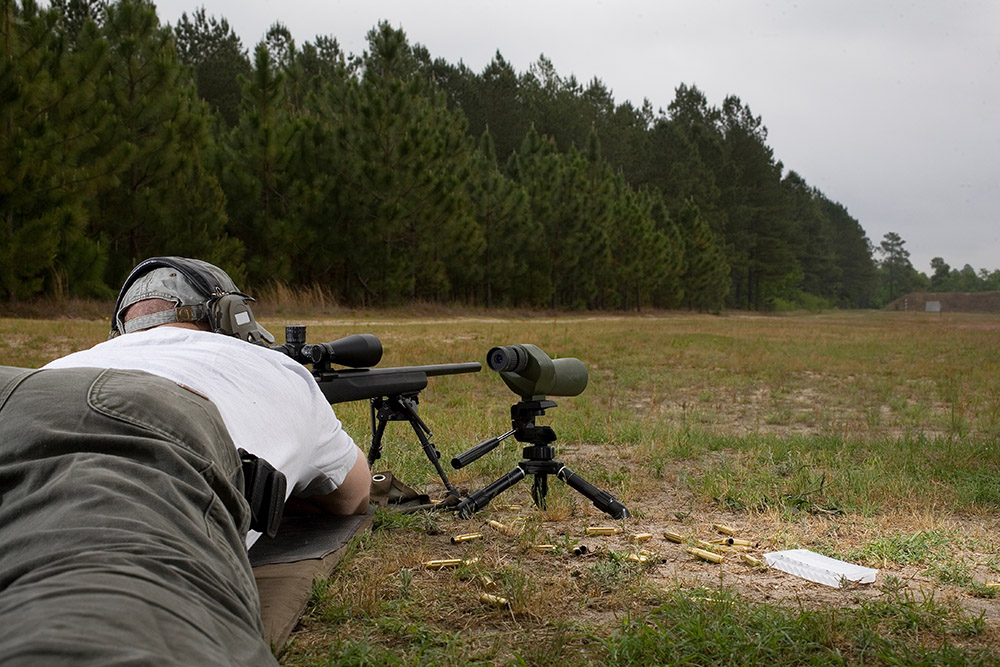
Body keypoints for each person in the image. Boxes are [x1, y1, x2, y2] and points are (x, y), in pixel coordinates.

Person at [0, 256, 370, 665]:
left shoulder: (72, 358)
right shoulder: (276, 367)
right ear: (233, 318)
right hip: (159, 417)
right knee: (102, 627)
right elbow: (352, 495)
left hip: (20, 391)